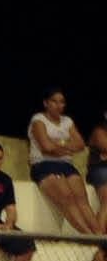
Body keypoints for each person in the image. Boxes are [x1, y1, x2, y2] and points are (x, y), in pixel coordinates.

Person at [30, 88, 100, 235]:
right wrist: (66, 145)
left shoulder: (67, 121)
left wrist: (57, 145)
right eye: (54, 101)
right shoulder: (38, 120)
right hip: (44, 164)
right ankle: (88, 236)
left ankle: (100, 236)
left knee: (82, 201)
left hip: (66, 165)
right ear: (46, 103)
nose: (58, 105)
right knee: (67, 198)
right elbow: (46, 147)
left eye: (61, 102)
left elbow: (80, 145)